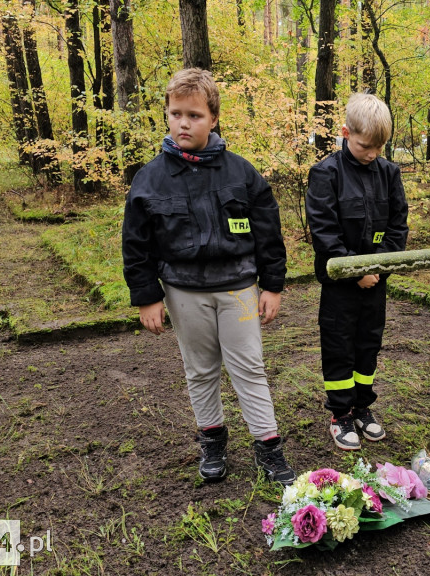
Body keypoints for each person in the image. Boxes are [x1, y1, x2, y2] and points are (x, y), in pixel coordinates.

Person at [121, 68, 296, 485]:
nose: (184, 123)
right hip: (183, 292)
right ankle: (212, 440)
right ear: (166, 115)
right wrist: (147, 296)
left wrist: (272, 285)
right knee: (199, 369)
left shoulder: (242, 173)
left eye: (195, 115)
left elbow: (269, 235)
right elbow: (136, 244)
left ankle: (268, 447)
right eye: (176, 113)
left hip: (238, 289)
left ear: (213, 118)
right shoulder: (149, 179)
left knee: (248, 367)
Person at [306, 93, 409, 451]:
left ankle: (363, 406)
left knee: (368, 346)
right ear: (346, 133)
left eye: (379, 147)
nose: (372, 154)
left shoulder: (389, 173)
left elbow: (398, 227)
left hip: (376, 283)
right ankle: (340, 414)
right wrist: (356, 272)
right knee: (339, 347)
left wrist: (378, 269)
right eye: (366, 145)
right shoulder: (325, 174)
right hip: (340, 285)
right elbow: (324, 233)